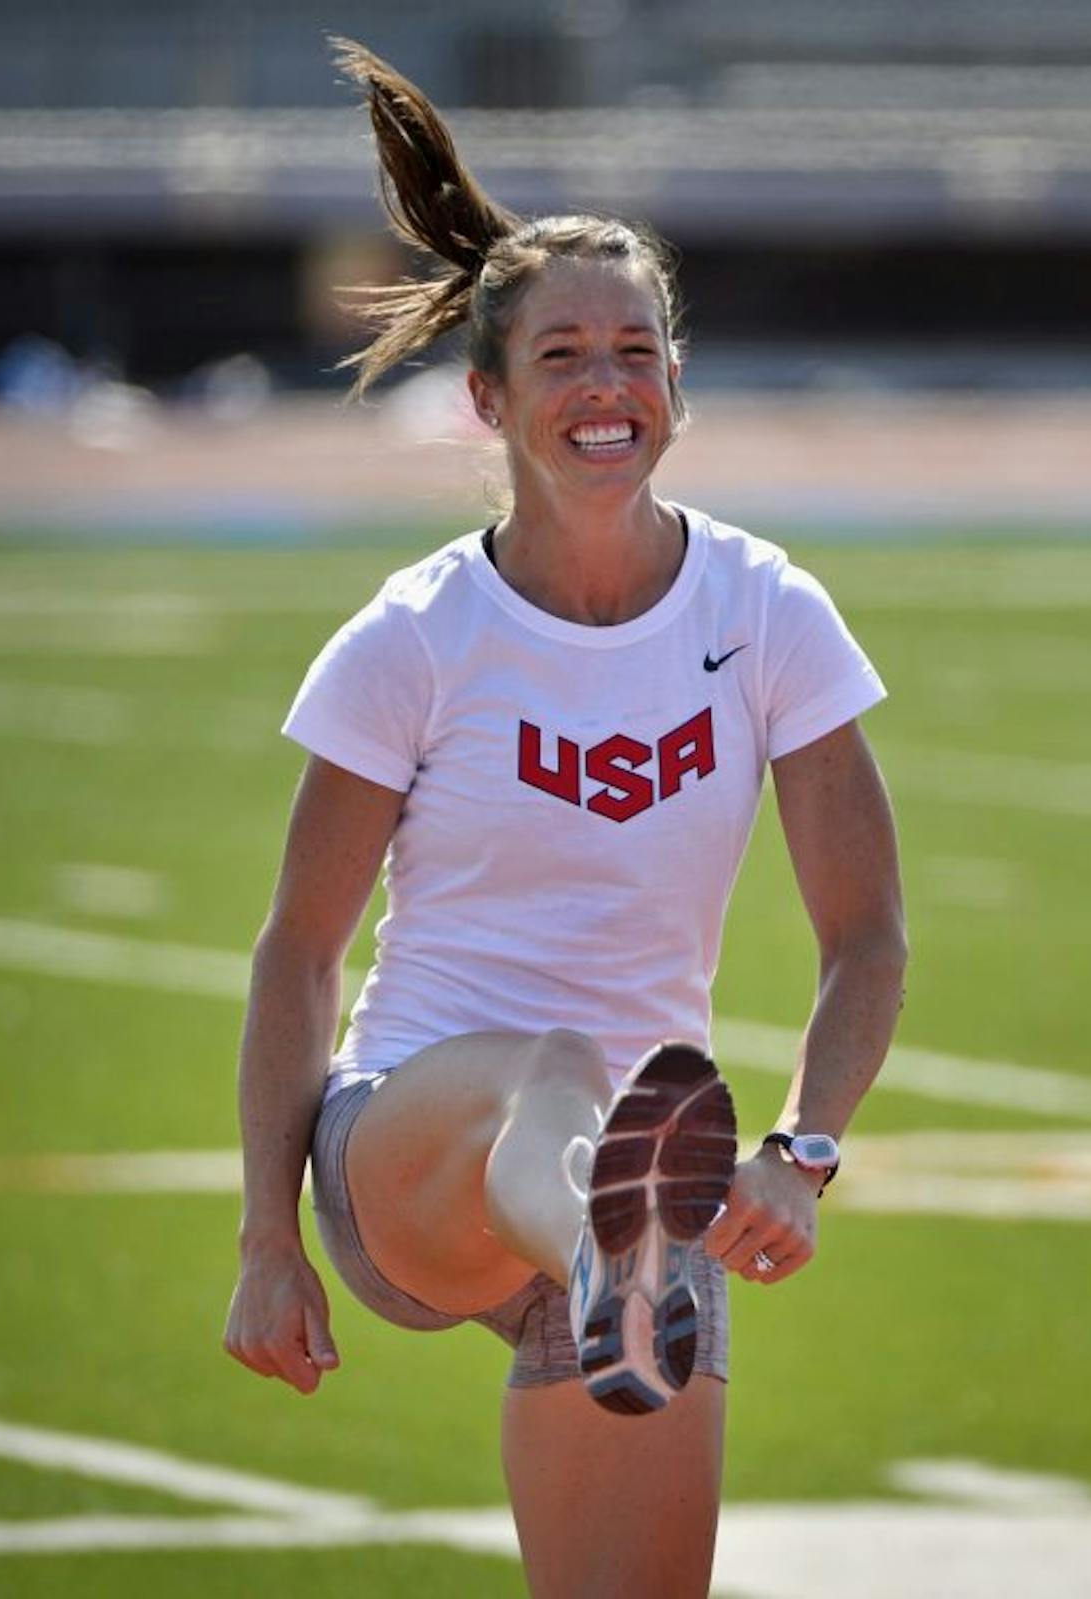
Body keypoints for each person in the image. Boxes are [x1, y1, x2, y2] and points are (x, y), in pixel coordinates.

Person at [222, 40, 906, 1596]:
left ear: (677, 380)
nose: (609, 387)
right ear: (488, 397)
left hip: (646, 1177)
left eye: (637, 351)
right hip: (411, 1149)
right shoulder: (415, 638)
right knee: (552, 1071)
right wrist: (269, 1240)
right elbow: (298, 957)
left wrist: (802, 1151)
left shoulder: (767, 609)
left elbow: (865, 936)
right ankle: (607, 1257)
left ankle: (613, 1264)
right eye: (564, 357)